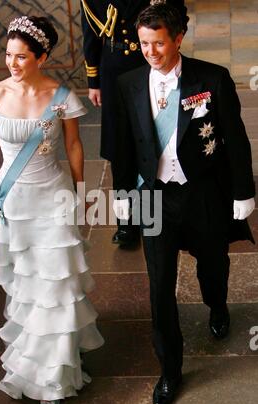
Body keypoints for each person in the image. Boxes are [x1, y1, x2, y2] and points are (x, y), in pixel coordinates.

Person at [113, 3, 256, 404]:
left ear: (178, 38)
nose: (151, 52)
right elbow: (122, 149)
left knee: (213, 263)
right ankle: (170, 370)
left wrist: (242, 192)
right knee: (159, 287)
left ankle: (217, 305)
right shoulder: (128, 84)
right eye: (144, 43)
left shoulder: (212, 79)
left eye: (159, 42)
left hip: (201, 194)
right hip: (152, 198)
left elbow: (236, 140)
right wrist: (124, 198)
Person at [0, 15, 104, 404]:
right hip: (14, 201)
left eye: (22, 56)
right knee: (29, 287)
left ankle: (55, 377)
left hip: (53, 199)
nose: (12, 63)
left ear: (42, 56)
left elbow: (76, 147)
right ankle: (30, 363)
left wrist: (82, 194)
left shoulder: (62, 95)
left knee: (58, 286)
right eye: (9, 55)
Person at [81, 0, 189, 247]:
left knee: (159, 137)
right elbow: (90, 31)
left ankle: (159, 210)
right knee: (120, 146)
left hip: (151, 62)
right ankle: (126, 222)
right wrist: (93, 80)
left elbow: (178, 20)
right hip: (115, 68)